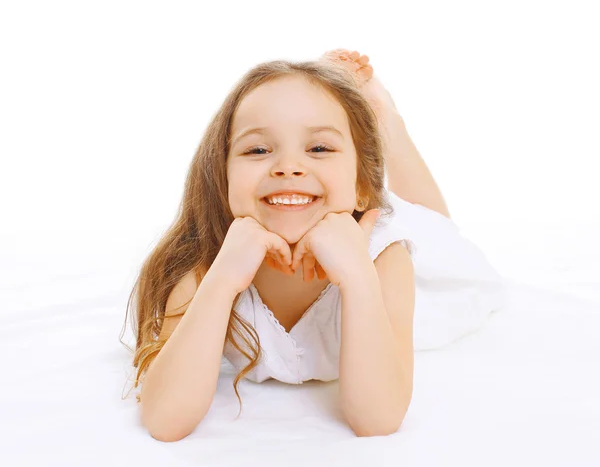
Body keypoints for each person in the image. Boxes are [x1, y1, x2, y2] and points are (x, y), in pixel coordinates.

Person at [120, 49, 508, 441]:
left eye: (319, 148)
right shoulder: (204, 266)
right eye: (257, 149)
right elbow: (165, 420)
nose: (288, 167)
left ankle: (387, 123)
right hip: (229, 262)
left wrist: (358, 276)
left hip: (401, 276)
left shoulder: (385, 257)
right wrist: (222, 282)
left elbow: (378, 419)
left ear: (360, 187)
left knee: (436, 230)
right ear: (222, 179)